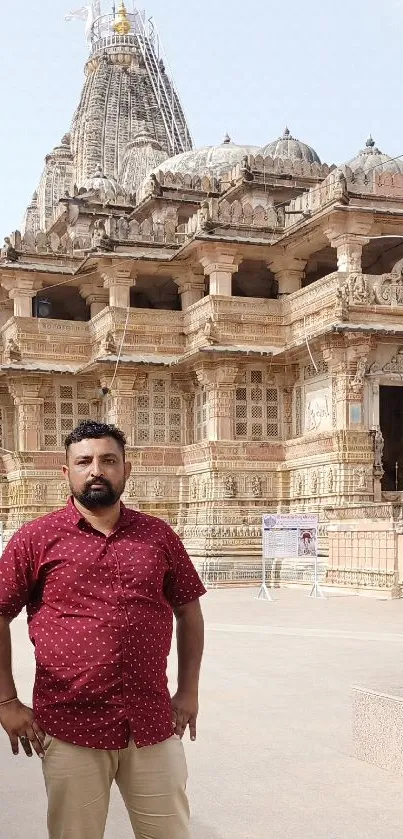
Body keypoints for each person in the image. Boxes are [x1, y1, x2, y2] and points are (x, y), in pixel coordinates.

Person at [0, 420, 205, 839]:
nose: (97, 470)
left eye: (109, 460)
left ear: (126, 469)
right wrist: (6, 701)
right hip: (70, 724)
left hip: (151, 723)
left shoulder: (157, 535)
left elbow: (189, 610)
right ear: (67, 473)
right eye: (85, 461)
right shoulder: (36, 538)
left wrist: (188, 690)